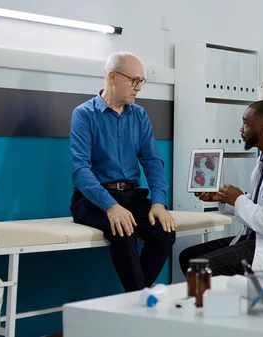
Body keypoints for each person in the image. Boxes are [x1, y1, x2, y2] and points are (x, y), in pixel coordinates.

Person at [70, 51, 176, 293]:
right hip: (92, 199)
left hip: (130, 196)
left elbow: (152, 161)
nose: (138, 88)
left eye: (141, 81)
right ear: (111, 77)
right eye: (133, 80)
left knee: (165, 232)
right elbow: (80, 170)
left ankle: (135, 299)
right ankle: (138, 303)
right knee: (123, 232)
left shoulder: (139, 115)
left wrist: (159, 203)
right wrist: (110, 206)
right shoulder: (84, 114)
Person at [178, 99, 263, 282]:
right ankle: (211, 305)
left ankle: (217, 308)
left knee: (204, 265)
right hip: (257, 239)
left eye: (246, 124)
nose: (241, 129)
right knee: (188, 257)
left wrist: (239, 199)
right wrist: (225, 198)